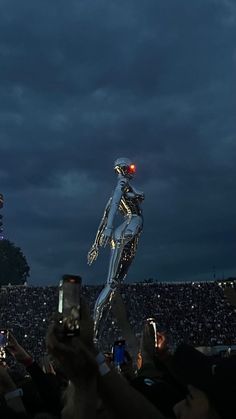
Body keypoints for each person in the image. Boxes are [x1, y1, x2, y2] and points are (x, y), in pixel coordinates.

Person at [88, 157, 144, 341]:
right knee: (111, 283)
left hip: (129, 230)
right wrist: (110, 228)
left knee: (115, 283)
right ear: (122, 169)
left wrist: (96, 244)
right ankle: (94, 328)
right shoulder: (121, 185)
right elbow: (112, 209)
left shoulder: (123, 187)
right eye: (129, 168)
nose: (132, 171)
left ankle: (97, 326)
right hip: (128, 228)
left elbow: (104, 216)